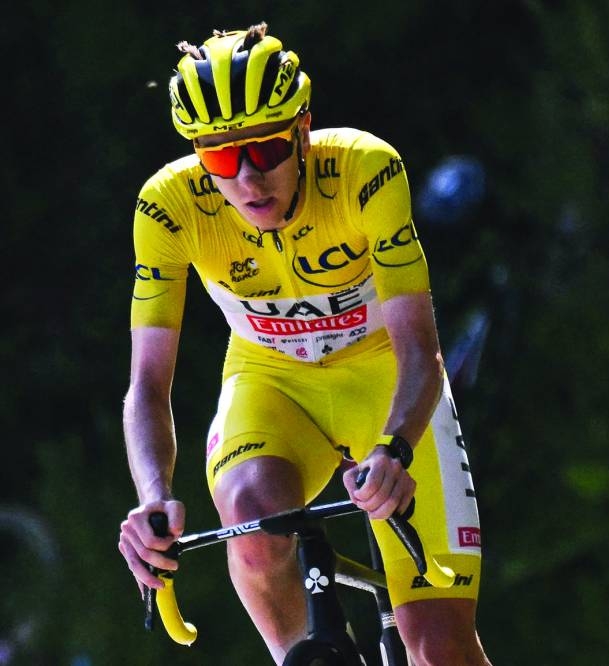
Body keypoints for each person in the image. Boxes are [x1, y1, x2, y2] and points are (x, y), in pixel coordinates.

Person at [116, 22, 492, 665]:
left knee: (438, 648)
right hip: (271, 381)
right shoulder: (168, 208)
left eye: (264, 151)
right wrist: (153, 497)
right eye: (221, 159)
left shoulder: (366, 173)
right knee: (255, 523)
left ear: (303, 130)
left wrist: (395, 447)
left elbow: (419, 349)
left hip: (384, 378)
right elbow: (148, 384)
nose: (247, 178)